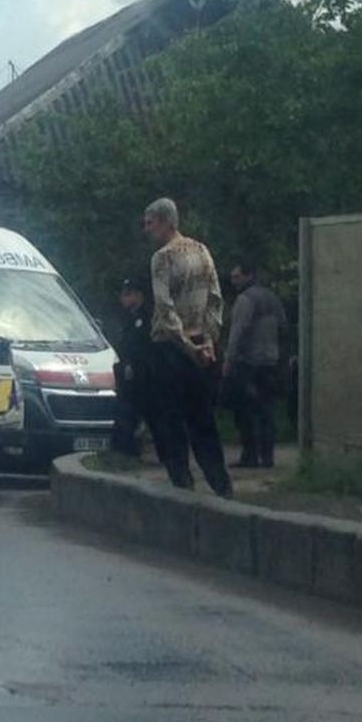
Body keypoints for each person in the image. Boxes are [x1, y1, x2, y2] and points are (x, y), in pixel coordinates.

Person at [142, 197, 233, 497]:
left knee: (170, 419)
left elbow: (165, 307)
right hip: (202, 345)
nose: (147, 229)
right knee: (202, 418)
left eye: (150, 223)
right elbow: (215, 300)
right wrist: (208, 341)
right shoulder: (202, 250)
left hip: (170, 348)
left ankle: (182, 485)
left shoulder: (162, 258)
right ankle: (221, 485)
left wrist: (185, 345)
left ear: (166, 221)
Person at [222, 261, 288, 467]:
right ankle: (267, 456)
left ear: (248, 275)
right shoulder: (272, 297)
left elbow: (237, 331)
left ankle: (249, 456)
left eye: (237, 277)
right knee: (267, 410)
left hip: (248, 362)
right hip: (270, 362)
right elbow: (283, 327)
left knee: (245, 411)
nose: (234, 281)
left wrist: (229, 360)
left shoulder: (245, 299)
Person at [111, 275, 165, 462]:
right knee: (127, 414)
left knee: (153, 415)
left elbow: (144, 347)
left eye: (128, 294)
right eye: (123, 294)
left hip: (144, 375)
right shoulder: (128, 318)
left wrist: (134, 365)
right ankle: (126, 451)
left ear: (139, 296)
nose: (123, 298)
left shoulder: (146, 318)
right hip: (129, 375)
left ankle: (167, 454)